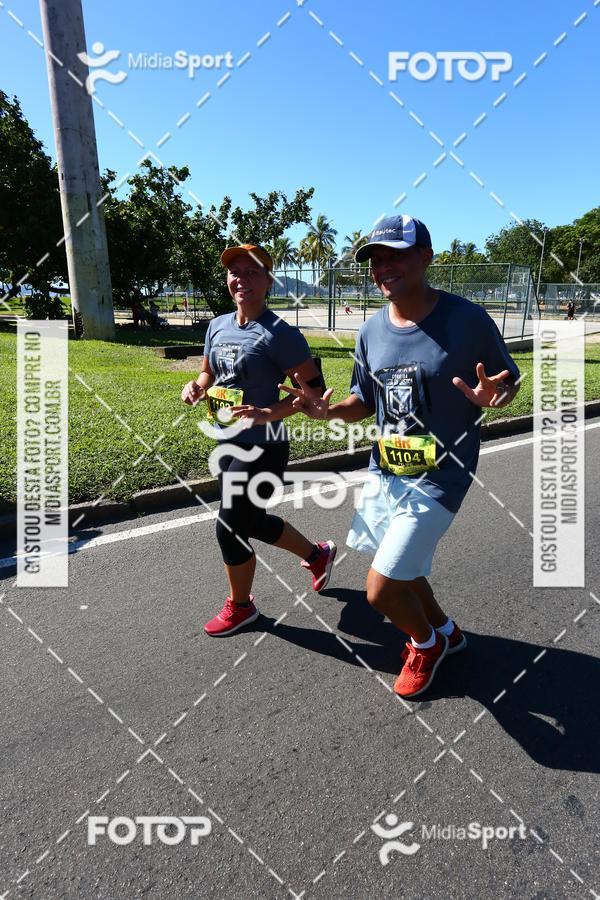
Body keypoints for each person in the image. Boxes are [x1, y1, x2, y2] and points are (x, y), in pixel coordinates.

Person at [281, 215, 521, 699]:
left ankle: (424, 644)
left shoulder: (467, 319)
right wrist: (326, 410)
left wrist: (499, 395)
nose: (385, 266)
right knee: (403, 569)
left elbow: (507, 379)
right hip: (387, 469)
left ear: (426, 257)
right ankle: (446, 633)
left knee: (381, 590)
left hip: (441, 476)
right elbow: (363, 403)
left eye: (397, 254)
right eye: (377, 259)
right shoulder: (371, 331)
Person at [181, 243, 337, 637]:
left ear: (269, 281)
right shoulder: (217, 326)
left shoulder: (282, 334)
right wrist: (197, 387)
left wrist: (268, 413)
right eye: (235, 272)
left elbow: (314, 394)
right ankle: (317, 555)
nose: (241, 279)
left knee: (229, 526)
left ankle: (241, 607)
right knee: (248, 519)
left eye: (252, 272)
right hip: (226, 439)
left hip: (263, 446)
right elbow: (208, 373)